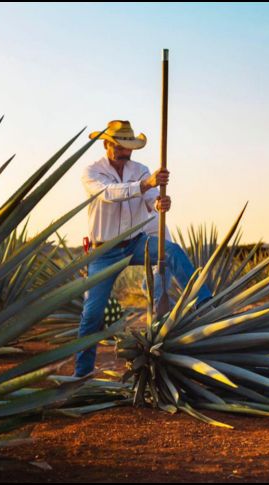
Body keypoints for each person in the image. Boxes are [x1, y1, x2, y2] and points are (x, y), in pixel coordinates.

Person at [74, 120, 212, 377]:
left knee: (172, 252)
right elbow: (109, 194)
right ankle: (81, 375)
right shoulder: (92, 172)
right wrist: (146, 184)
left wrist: (160, 203)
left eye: (128, 147)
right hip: (103, 251)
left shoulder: (140, 170)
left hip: (136, 243)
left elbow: (151, 201)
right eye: (120, 147)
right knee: (92, 315)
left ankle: (204, 303)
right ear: (106, 145)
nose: (125, 152)